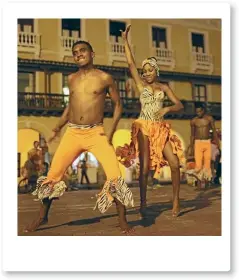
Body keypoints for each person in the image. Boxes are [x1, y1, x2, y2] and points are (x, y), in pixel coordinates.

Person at [24, 40, 134, 234]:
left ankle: (123, 221)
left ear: (92, 54)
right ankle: (42, 216)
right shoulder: (71, 78)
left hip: (96, 133)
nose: (78, 54)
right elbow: (69, 108)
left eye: (83, 50)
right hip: (73, 133)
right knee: (52, 177)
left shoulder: (105, 78)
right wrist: (57, 128)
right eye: (75, 52)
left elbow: (118, 105)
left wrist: (112, 130)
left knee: (114, 176)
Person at [116, 25, 185, 217]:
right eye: (144, 70)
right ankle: (143, 202)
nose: (146, 73)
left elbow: (179, 104)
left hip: (160, 128)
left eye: (149, 70)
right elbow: (130, 64)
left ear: (156, 71)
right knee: (144, 167)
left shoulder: (164, 87)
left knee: (174, 163)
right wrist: (125, 41)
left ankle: (176, 200)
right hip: (143, 126)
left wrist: (167, 108)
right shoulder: (140, 85)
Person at [189, 102, 219, 188]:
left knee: (207, 164)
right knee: (198, 166)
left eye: (199, 111)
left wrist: (218, 144)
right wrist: (191, 147)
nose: (198, 113)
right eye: (196, 112)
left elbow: (214, 132)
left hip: (207, 142)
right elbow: (192, 135)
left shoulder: (209, 119)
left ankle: (206, 184)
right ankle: (199, 185)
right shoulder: (193, 121)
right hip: (198, 143)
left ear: (203, 111)